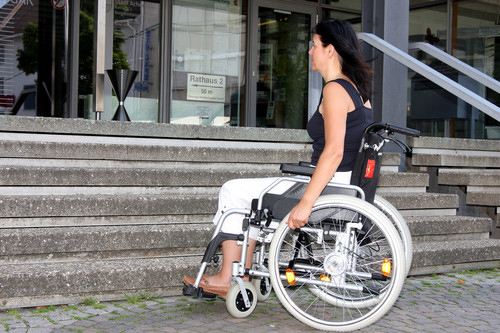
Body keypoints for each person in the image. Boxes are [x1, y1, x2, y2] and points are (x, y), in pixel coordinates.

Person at [183, 18, 373, 298]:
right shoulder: (360, 93)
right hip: (343, 186)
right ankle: (240, 273)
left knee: (232, 191)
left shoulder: (335, 90)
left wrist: (305, 205)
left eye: (314, 46)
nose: (310, 52)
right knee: (251, 194)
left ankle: (229, 277)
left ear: (330, 50)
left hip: (326, 188)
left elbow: (334, 152)